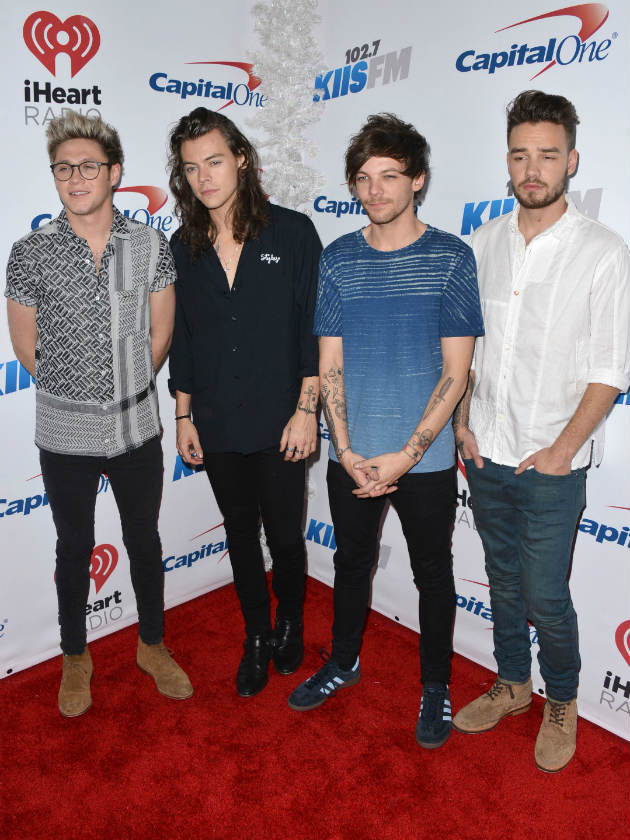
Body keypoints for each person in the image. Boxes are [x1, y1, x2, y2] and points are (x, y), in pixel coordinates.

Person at [288, 113, 484, 749]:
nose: (374, 190)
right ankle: (344, 661)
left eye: (390, 176)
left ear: (418, 179)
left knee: (433, 573)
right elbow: (330, 362)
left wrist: (406, 455)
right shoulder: (338, 258)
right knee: (351, 563)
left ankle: (436, 685)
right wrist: (344, 450)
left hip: (422, 460)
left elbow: (456, 373)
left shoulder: (452, 257)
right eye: (364, 178)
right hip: (352, 454)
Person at [452, 90, 630, 772]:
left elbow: (610, 370)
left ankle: (562, 701)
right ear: (507, 161)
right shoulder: (481, 245)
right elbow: (466, 351)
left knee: (546, 597)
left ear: (571, 161)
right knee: (500, 580)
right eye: (521, 155)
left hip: (552, 466)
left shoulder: (603, 252)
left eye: (548, 155)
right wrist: (462, 424)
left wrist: (562, 451)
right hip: (485, 455)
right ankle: (512, 684)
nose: (533, 169)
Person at [5, 111, 192, 717]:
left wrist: (126, 388)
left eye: (89, 166)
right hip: (63, 432)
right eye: (64, 168)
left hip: (137, 428)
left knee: (144, 538)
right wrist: (82, 391)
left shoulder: (150, 245)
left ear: (114, 173)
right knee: (73, 546)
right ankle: (74, 657)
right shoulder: (29, 252)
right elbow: (26, 348)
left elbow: (161, 333)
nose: (76, 178)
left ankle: (152, 645)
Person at [167, 108, 322, 698]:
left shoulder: (293, 232)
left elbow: (313, 329)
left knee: (284, 535)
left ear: (241, 159)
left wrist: (307, 409)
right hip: (215, 417)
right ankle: (256, 634)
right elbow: (183, 338)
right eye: (191, 168)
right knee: (238, 533)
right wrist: (183, 414)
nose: (204, 177)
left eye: (214, 161)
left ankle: (290, 623)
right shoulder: (182, 247)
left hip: (283, 417)